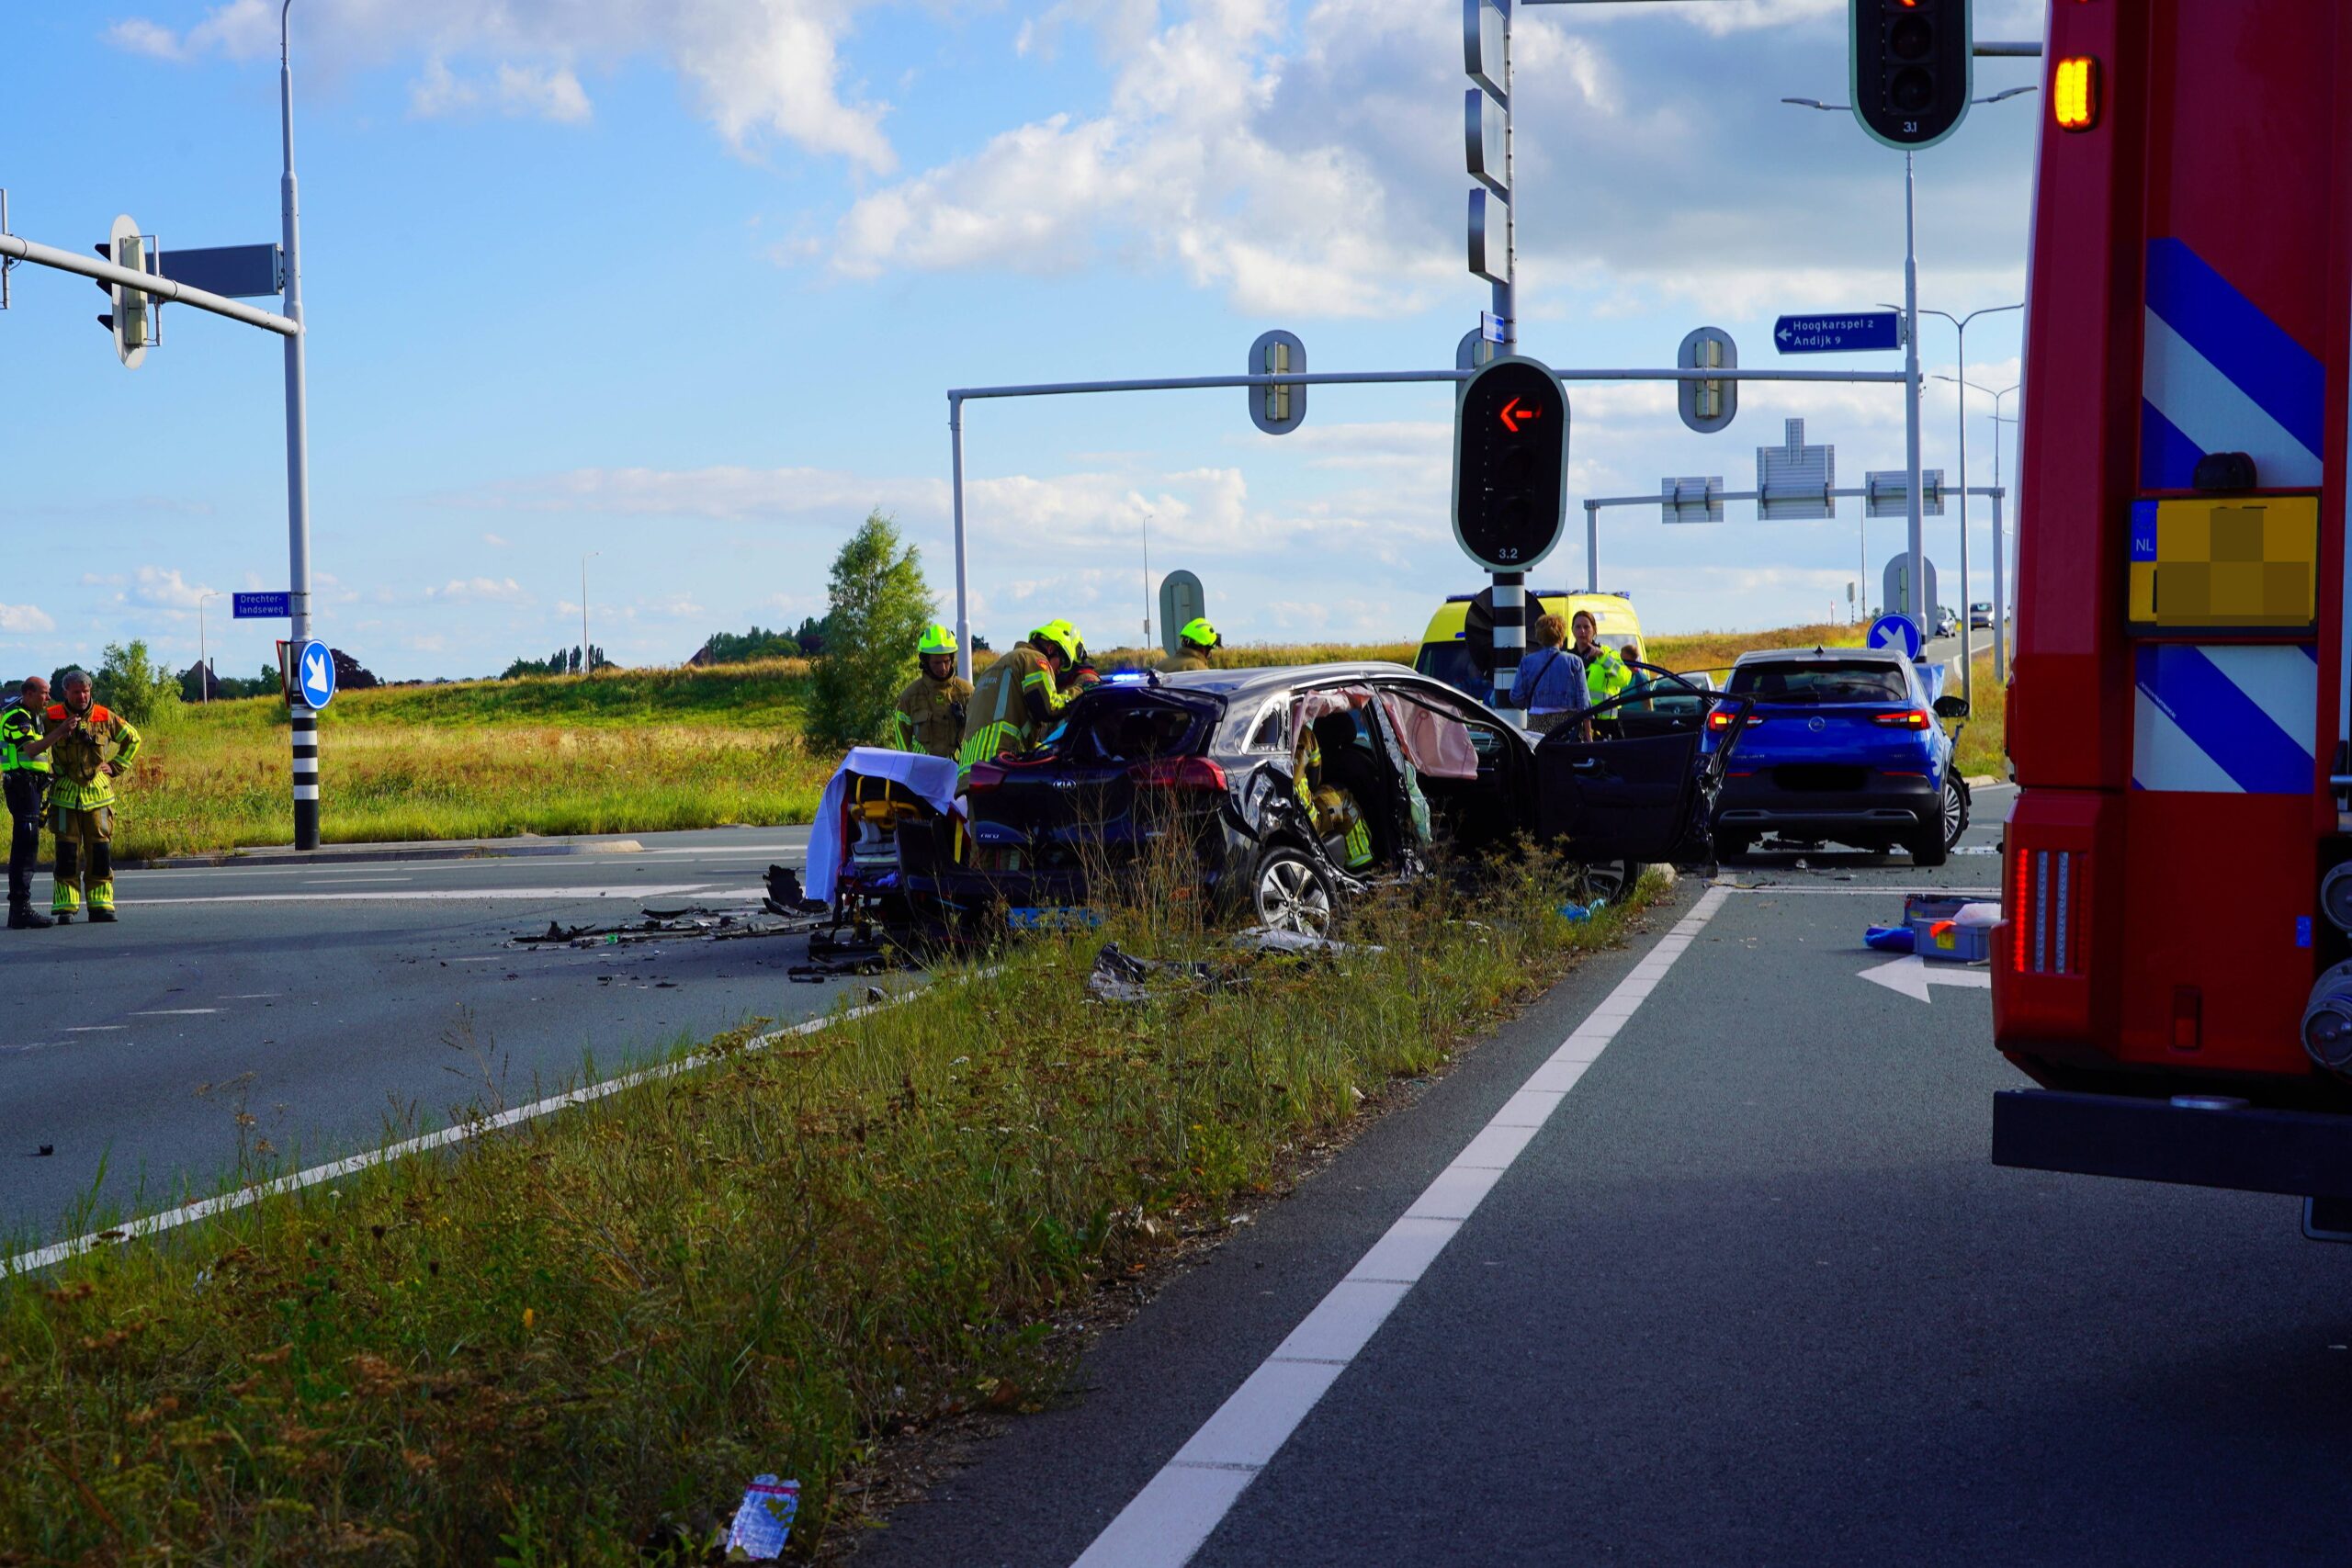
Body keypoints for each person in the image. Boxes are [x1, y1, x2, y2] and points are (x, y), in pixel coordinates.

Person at [42, 670, 141, 925]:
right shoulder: (51, 717)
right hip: (64, 795)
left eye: (86, 691)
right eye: (76, 692)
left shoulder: (104, 716)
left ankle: (101, 905)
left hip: (98, 795)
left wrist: (116, 765)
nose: (82, 696)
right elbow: (34, 745)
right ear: (65, 693)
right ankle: (66, 906)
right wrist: (45, 772)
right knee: (66, 851)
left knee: (100, 850)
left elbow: (133, 739)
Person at [956, 619, 1095, 782]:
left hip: (971, 773)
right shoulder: (1034, 659)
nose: (1058, 671)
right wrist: (1081, 690)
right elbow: (1050, 707)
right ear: (1051, 649)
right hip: (999, 765)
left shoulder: (994, 668)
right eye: (1062, 662)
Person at [3, 675, 56, 929]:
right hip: (21, 786)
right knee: (25, 848)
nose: (48, 698)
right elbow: (31, 750)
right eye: (44, 693)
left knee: (29, 845)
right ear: (29, 693)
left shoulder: (32, 715)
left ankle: (20, 909)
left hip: (31, 786)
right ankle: (19, 909)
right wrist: (61, 731)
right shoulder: (16, 716)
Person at [892, 625, 974, 760]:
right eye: (936, 663)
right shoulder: (910, 697)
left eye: (946, 661)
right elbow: (902, 746)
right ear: (925, 661)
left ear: (952, 659)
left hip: (959, 774)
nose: (943, 668)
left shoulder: (968, 693)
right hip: (922, 775)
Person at [1508, 614, 1588, 735]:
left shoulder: (1527, 662)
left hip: (1536, 722)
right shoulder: (1574, 661)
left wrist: (1531, 703)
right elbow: (1583, 702)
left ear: (1539, 638)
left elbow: (1516, 697)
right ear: (1561, 637)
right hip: (1566, 723)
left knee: (1541, 753)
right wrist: (1588, 735)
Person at [1572, 610, 1633, 707]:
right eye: (1578, 627)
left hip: (1604, 719)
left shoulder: (1608, 654)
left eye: (1586, 627)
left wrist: (1604, 658)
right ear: (1572, 630)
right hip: (1575, 718)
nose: (1582, 631)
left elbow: (1623, 680)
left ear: (1594, 630)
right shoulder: (1568, 657)